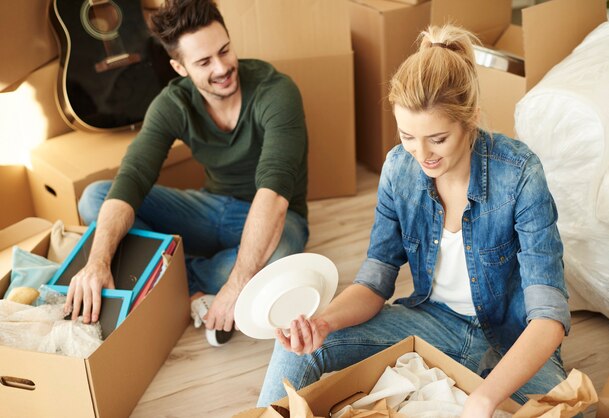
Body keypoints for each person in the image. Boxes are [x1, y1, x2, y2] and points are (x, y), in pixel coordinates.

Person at [257, 24, 571, 417]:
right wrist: (324, 323)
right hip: (430, 324)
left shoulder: (520, 173)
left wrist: (485, 397)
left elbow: (548, 318)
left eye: (437, 139)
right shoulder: (398, 169)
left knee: (573, 408)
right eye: (407, 135)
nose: (422, 155)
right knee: (299, 348)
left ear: (470, 118)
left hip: (511, 340)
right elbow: (374, 282)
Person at [67, 0, 309, 345]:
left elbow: (274, 196)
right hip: (209, 208)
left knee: (284, 250)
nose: (223, 67)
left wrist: (234, 286)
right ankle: (192, 280)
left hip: (276, 216)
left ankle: (170, 278)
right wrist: (96, 263)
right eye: (204, 62)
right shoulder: (172, 103)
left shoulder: (276, 92)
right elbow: (132, 177)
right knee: (96, 197)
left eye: (225, 51)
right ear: (179, 67)